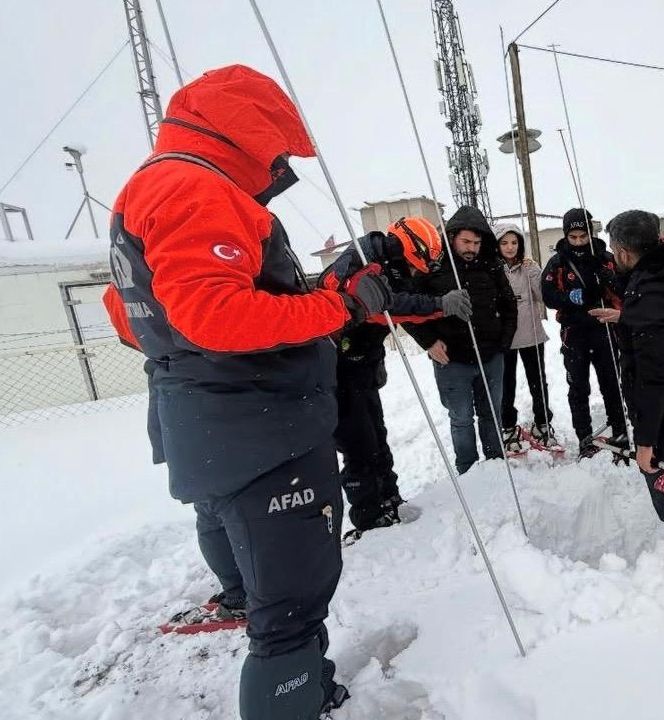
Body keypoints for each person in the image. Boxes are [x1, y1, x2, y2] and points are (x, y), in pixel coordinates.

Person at [100, 65, 387, 719]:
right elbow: (215, 316)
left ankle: (310, 688)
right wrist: (338, 308)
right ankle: (293, 700)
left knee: (277, 585)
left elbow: (128, 314)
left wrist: (301, 302)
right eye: (278, 150)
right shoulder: (196, 188)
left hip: (213, 421)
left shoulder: (145, 190)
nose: (281, 166)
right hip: (263, 431)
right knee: (290, 603)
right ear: (249, 132)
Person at [319, 217, 471, 540]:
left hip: (362, 363)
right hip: (338, 369)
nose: (415, 273)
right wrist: (441, 305)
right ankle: (368, 516)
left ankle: (389, 497)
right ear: (408, 251)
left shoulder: (387, 262)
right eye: (416, 266)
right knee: (359, 444)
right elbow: (389, 307)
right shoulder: (365, 266)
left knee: (377, 434)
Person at [590, 210, 664, 530]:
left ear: (623, 252)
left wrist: (645, 444)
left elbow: (654, 377)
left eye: (614, 250)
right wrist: (630, 318)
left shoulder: (650, 295)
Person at [404, 206, 517, 475]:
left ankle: (496, 464)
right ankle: (467, 471)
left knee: (491, 414)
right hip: (452, 360)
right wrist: (429, 342)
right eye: (466, 241)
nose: (471, 248)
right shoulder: (431, 267)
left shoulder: (491, 265)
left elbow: (509, 305)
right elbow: (407, 310)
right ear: (452, 237)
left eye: (477, 243)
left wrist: (503, 342)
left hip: (491, 356)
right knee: (461, 418)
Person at [541, 208, 630, 458]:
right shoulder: (558, 262)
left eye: (583, 236)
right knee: (578, 388)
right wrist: (568, 297)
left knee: (612, 385)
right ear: (566, 236)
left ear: (591, 234)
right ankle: (585, 438)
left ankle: (620, 432)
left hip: (605, 331)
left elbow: (626, 289)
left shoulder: (605, 258)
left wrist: (610, 279)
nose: (579, 242)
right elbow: (547, 296)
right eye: (574, 237)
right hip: (574, 334)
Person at [492, 223, 555, 452]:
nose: (510, 247)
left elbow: (543, 297)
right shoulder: (492, 269)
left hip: (531, 335)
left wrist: (535, 272)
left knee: (538, 381)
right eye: (504, 242)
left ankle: (543, 422)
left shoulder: (529, 267)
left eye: (514, 242)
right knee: (506, 383)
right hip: (505, 337)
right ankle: (508, 425)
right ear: (497, 245)